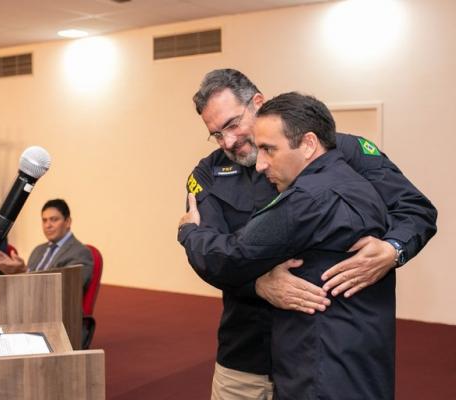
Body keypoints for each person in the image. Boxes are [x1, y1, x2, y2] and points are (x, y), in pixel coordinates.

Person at [179, 70, 437, 399]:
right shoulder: (208, 175)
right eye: (216, 134)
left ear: (258, 103)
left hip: (325, 351)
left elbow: (415, 208)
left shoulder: (344, 150)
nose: (228, 142)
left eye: (232, 125)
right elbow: (214, 256)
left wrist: (392, 248)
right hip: (246, 354)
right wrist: (258, 285)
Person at [0, 199, 93, 290]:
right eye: (44, 220)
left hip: (59, 308)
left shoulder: (80, 252)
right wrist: (15, 273)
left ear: (68, 222)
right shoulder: (38, 250)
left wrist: (24, 271)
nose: (48, 225)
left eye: (54, 219)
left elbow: (68, 288)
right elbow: (26, 286)